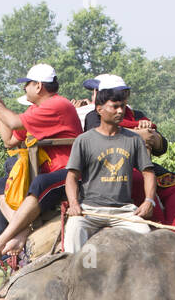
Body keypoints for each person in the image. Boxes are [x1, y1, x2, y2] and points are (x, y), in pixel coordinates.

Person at [0, 63, 82, 269]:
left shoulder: (58, 105)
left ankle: (0, 244)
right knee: (1, 186)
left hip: (68, 173)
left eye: (26, 84)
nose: (24, 88)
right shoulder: (38, 110)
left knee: (41, 182)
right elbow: (9, 140)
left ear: (38, 86)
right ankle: (19, 232)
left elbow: (15, 123)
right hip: (45, 171)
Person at [78, 74, 175, 234]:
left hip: (142, 164)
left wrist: (150, 134)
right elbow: (102, 136)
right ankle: (159, 231)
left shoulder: (137, 115)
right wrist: (139, 133)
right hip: (110, 168)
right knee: (138, 180)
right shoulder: (95, 115)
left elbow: (161, 146)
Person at [63, 86, 158, 253]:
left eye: (122, 106)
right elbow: (71, 177)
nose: (120, 111)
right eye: (114, 107)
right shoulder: (84, 140)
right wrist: (73, 204)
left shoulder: (134, 140)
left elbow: (148, 173)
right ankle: (73, 277)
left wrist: (149, 201)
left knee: (145, 237)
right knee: (73, 234)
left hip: (124, 211)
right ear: (99, 109)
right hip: (90, 211)